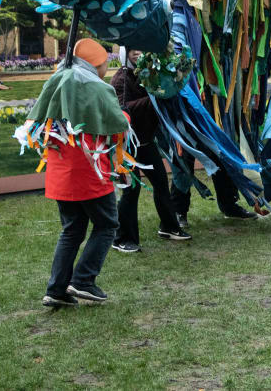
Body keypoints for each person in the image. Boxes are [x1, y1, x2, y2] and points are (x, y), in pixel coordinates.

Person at [42, 39, 121, 308]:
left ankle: (56, 290)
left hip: (61, 172)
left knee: (72, 230)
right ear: (96, 65)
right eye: (104, 65)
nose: (106, 70)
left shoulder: (59, 81)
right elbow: (116, 124)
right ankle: (83, 280)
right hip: (88, 171)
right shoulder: (96, 88)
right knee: (107, 224)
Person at [110, 48, 192, 251]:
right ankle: (122, 238)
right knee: (131, 188)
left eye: (141, 49)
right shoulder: (121, 79)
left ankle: (169, 226)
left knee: (161, 182)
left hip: (146, 140)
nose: (138, 53)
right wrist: (153, 99)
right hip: (126, 144)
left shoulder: (151, 74)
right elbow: (122, 110)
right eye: (132, 50)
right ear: (124, 53)